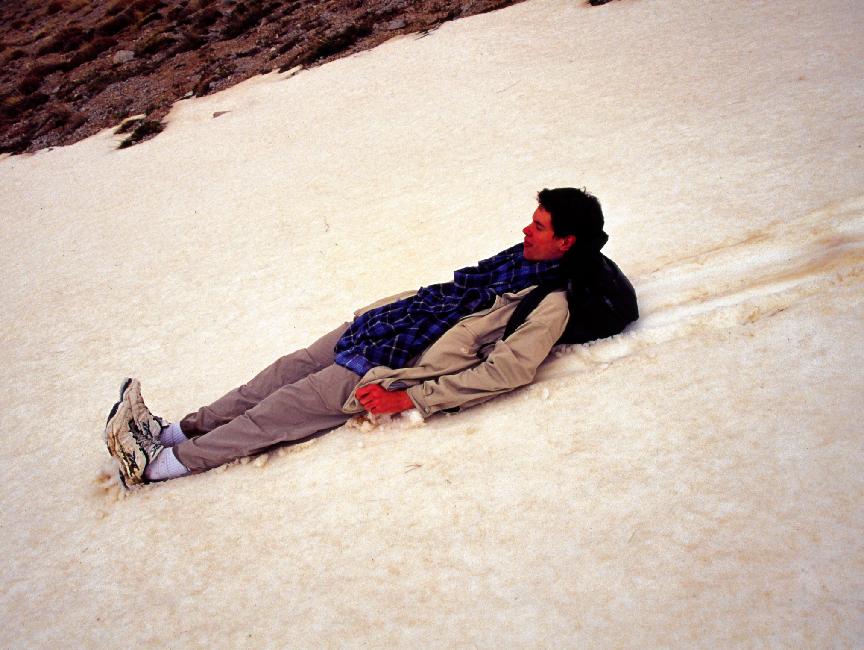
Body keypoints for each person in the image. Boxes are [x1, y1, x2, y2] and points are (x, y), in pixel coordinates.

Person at [104, 188, 638, 488]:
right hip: (381, 327)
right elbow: (450, 294)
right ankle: (175, 431)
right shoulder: (518, 259)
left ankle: (161, 466)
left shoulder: (551, 300)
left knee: (277, 413)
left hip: (393, 364)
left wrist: (410, 397)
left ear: (565, 242)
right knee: (279, 374)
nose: (525, 229)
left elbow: (507, 371)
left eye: (539, 226)